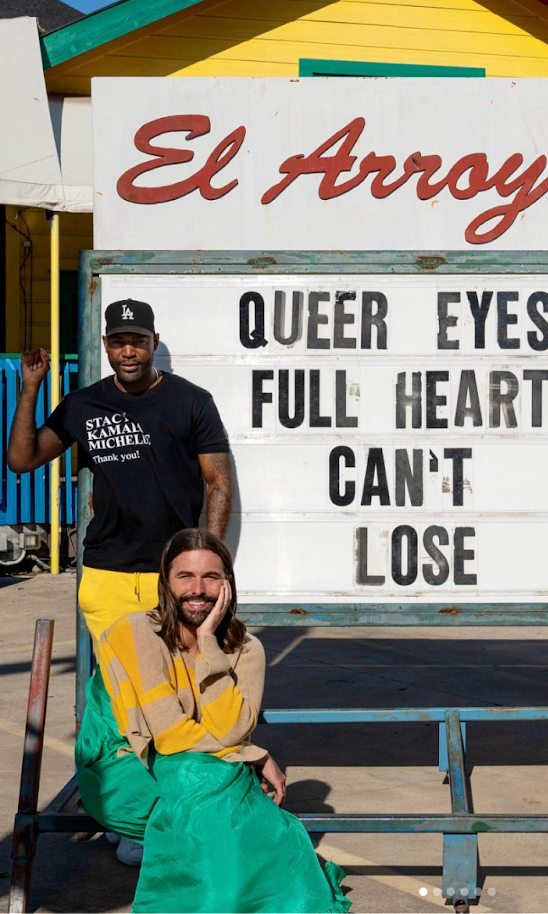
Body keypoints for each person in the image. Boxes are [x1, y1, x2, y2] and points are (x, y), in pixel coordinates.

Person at [5, 298, 234, 865]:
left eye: (137, 339)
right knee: (122, 703)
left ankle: (167, 808)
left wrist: (205, 562)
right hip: (106, 575)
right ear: (106, 346)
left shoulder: (190, 402)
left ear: (154, 341)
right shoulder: (85, 404)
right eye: (117, 341)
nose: (128, 350)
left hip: (168, 578)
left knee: (176, 695)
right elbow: (22, 459)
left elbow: (219, 484)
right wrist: (31, 388)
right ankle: (132, 817)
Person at [84, 528, 349, 913]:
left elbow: (231, 731)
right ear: (166, 583)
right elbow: (170, 733)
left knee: (213, 787)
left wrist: (209, 643)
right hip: (122, 768)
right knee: (220, 789)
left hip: (199, 772)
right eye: (185, 576)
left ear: (228, 583)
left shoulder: (246, 650)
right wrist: (253, 755)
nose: (198, 589)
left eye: (211, 576)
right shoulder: (137, 631)